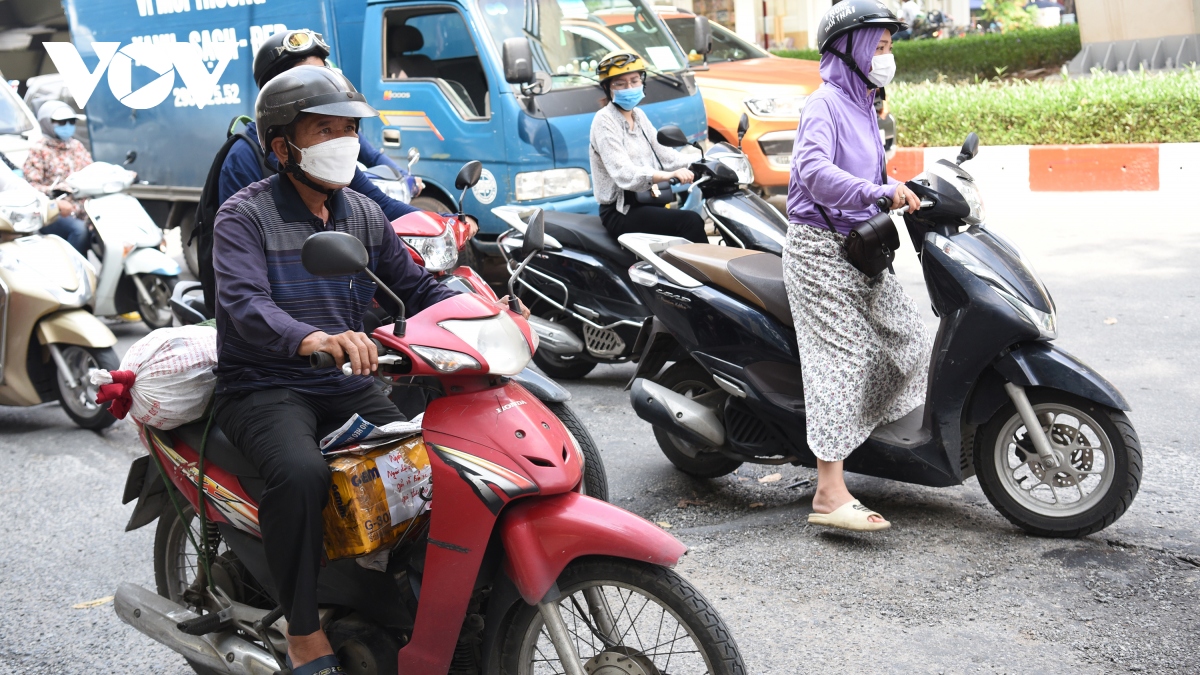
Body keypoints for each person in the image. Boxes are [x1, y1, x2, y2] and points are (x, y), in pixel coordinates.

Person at [211, 65, 459, 674]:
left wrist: (481, 309)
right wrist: (314, 338)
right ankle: (301, 628)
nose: (344, 142)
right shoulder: (242, 217)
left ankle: (395, 593)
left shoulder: (363, 215)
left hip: (344, 381)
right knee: (300, 474)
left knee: (433, 461)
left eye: (350, 129)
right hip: (264, 384)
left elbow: (417, 288)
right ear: (281, 146)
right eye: (326, 130)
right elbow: (245, 306)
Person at [783, 0, 929, 532]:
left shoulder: (866, 103)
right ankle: (828, 490)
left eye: (889, 47)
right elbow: (813, 171)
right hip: (819, 251)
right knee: (845, 362)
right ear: (849, 48)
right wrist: (877, 192)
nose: (886, 56)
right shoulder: (823, 104)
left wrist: (913, 187)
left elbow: (874, 171)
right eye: (880, 46)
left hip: (862, 248)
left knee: (909, 337)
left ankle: (861, 438)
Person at [218, 29, 426, 221]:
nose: (325, 85)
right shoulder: (243, 158)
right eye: (308, 79)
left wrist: (447, 222)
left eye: (326, 74)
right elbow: (243, 235)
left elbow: (381, 204)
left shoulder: (337, 140)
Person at [589, 50, 707, 244]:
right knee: (690, 222)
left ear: (642, 82)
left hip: (648, 199)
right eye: (620, 83)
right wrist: (666, 176)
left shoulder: (639, 116)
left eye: (634, 81)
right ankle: (706, 275)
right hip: (621, 210)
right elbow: (623, 172)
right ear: (607, 88)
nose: (629, 87)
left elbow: (665, 155)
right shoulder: (604, 120)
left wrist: (703, 163)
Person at [22, 101, 92, 256]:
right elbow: (31, 186)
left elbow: (91, 172)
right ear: (47, 123)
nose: (67, 126)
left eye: (71, 121)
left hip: (85, 208)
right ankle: (75, 274)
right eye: (61, 122)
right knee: (79, 231)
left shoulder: (76, 146)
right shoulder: (39, 150)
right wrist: (56, 199)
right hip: (55, 211)